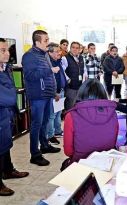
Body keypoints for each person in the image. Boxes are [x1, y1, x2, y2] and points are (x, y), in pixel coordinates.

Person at [22, 30, 61, 166]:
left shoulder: (44, 55)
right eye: (45, 40)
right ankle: (35, 154)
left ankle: (44, 145)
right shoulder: (29, 56)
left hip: (47, 95)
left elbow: (49, 76)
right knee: (36, 125)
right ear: (37, 42)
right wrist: (50, 70)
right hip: (38, 96)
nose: (48, 42)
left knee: (44, 123)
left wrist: (54, 92)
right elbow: (30, 76)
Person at [63, 79, 118, 165]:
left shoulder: (71, 116)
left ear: (81, 94)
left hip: (80, 165)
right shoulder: (113, 114)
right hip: (105, 164)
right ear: (103, 94)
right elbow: (113, 143)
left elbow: (68, 151)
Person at [0, 38, 29, 196]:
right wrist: (11, 89)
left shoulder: (6, 68)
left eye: (7, 49)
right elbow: (10, 97)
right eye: (2, 50)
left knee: (5, 145)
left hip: (6, 114)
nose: (7, 53)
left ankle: (8, 170)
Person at [46, 43, 67, 145]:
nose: (60, 52)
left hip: (61, 91)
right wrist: (55, 92)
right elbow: (51, 80)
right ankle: (50, 136)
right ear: (49, 52)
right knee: (51, 115)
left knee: (58, 113)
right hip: (55, 93)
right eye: (57, 51)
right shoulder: (49, 63)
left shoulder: (58, 61)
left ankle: (57, 131)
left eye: (59, 50)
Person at [62, 41, 86, 111]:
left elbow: (84, 70)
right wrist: (68, 79)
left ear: (79, 49)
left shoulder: (81, 58)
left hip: (80, 87)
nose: (75, 49)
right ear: (70, 48)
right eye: (73, 47)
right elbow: (62, 71)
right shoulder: (65, 58)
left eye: (77, 48)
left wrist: (84, 81)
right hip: (70, 88)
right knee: (70, 107)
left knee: (79, 107)